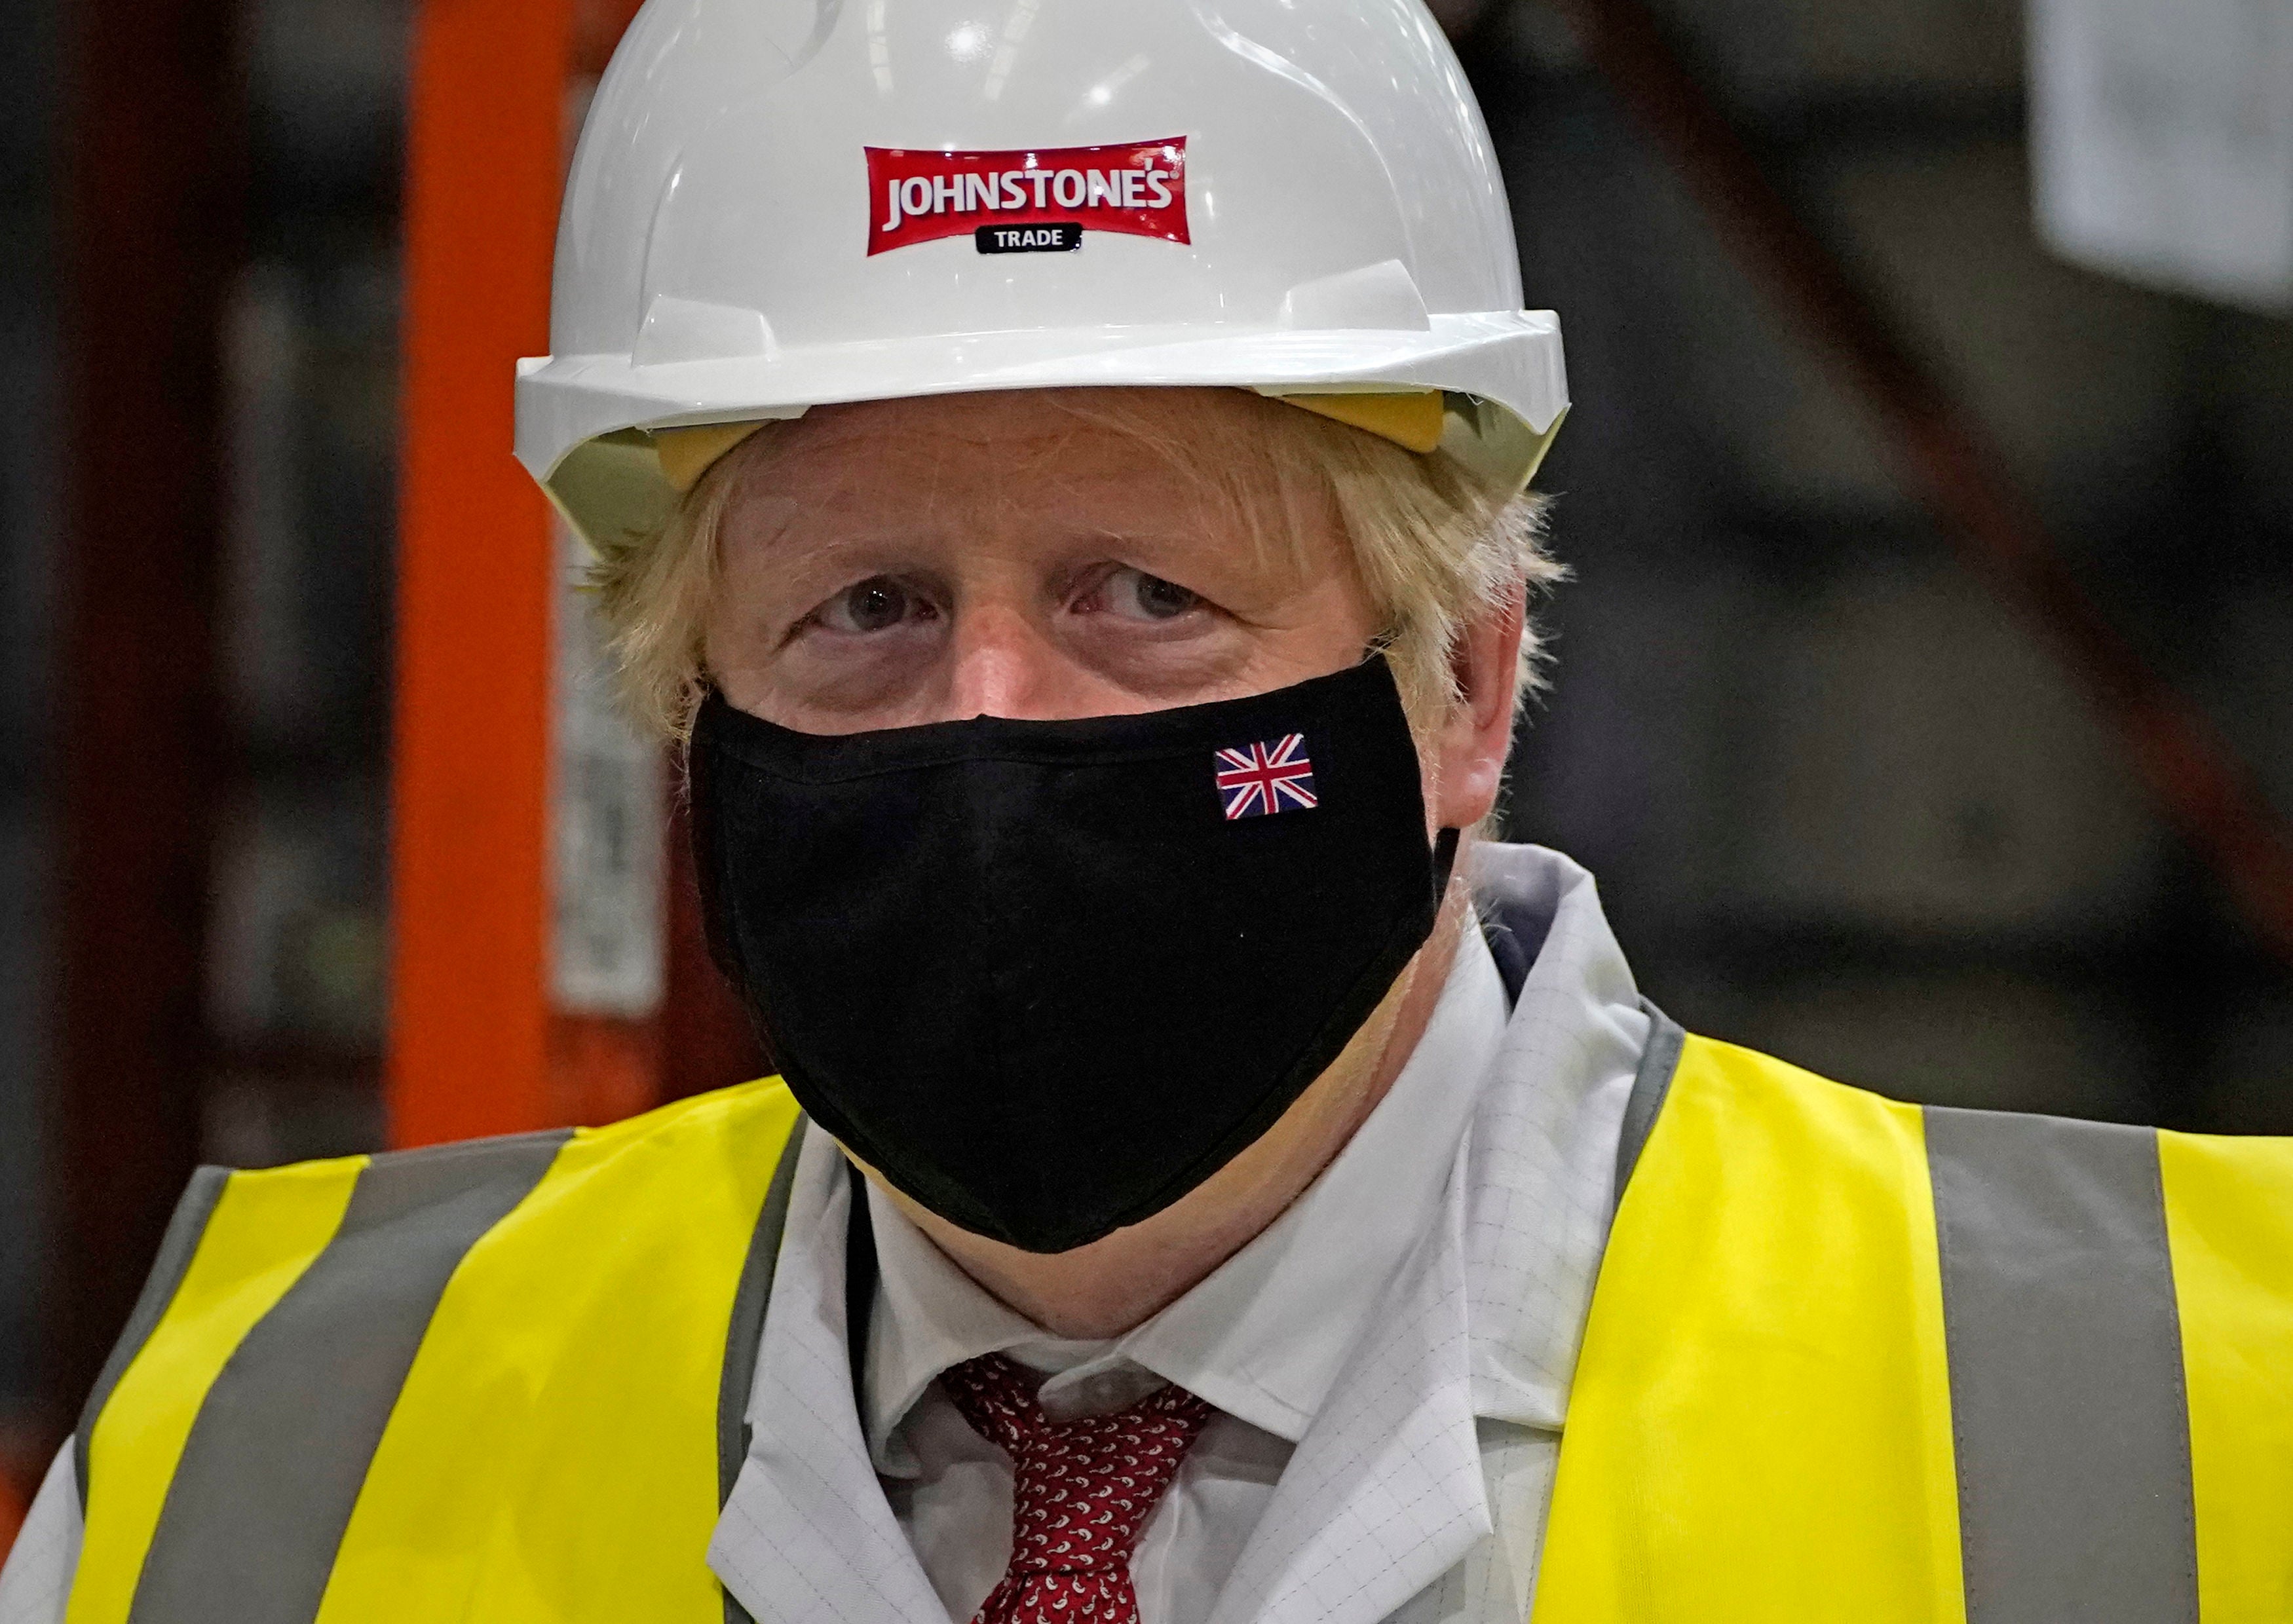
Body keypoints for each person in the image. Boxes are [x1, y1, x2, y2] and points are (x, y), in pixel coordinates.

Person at [8, 0, 2291, 1621]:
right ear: (687, 718)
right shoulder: (261, 1449)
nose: (996, 723)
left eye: (1145, 596)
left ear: (1465, 686)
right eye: (867, 609)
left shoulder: (2183, 1423)